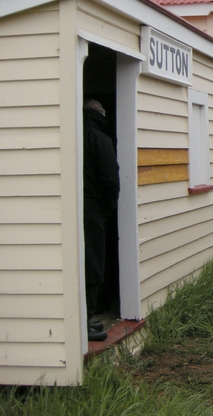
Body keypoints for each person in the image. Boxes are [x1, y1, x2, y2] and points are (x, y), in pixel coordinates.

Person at [83, 99, 120, 342]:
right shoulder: (101, 139)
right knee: (93, 262)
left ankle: (83, 320)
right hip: (93, 207)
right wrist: (106, 210)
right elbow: (111, 182)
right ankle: (85, 323)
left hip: (73, 205)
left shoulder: (72, 133)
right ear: (101, 115)